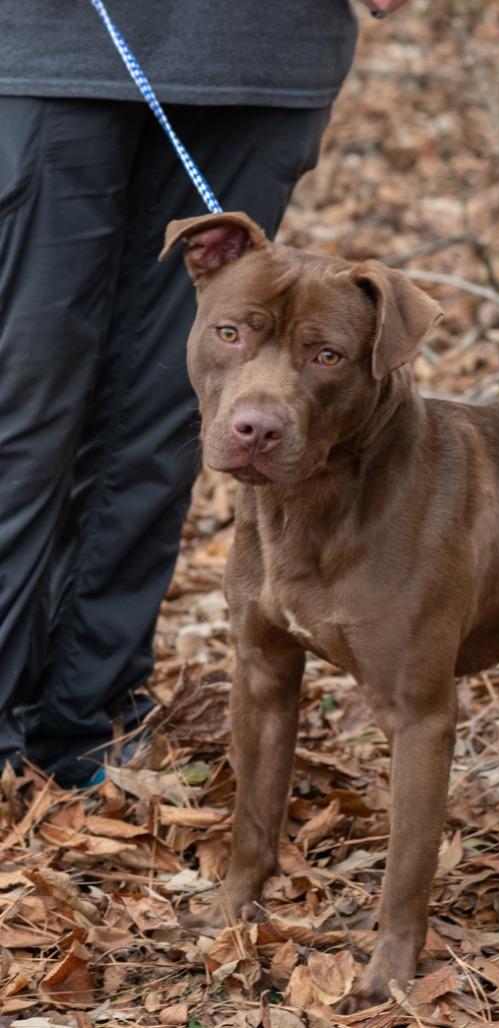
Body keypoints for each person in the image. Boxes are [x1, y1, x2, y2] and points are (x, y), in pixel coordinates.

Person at [0, 0, 409, 786]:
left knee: (164, 425)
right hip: (53, 44)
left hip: (258, 53)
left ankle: (91, 724)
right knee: (25, 413)